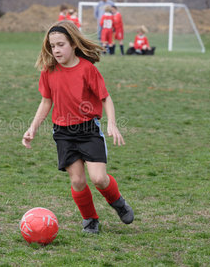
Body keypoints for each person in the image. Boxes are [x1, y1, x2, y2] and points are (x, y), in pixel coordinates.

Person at [22, 20, 134, 234]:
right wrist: (32, 128)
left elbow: (105, 98)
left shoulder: (87, 69)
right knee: (78, 180)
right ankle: (90, 219)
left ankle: (118, 203)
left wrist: (112, 123)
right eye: (52, 46)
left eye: (60, 44)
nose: (56, 50)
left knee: (99, 178)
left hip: (88, 130)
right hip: (63, 133)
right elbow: (46, 102)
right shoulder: (49, 71)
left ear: (73, 44)